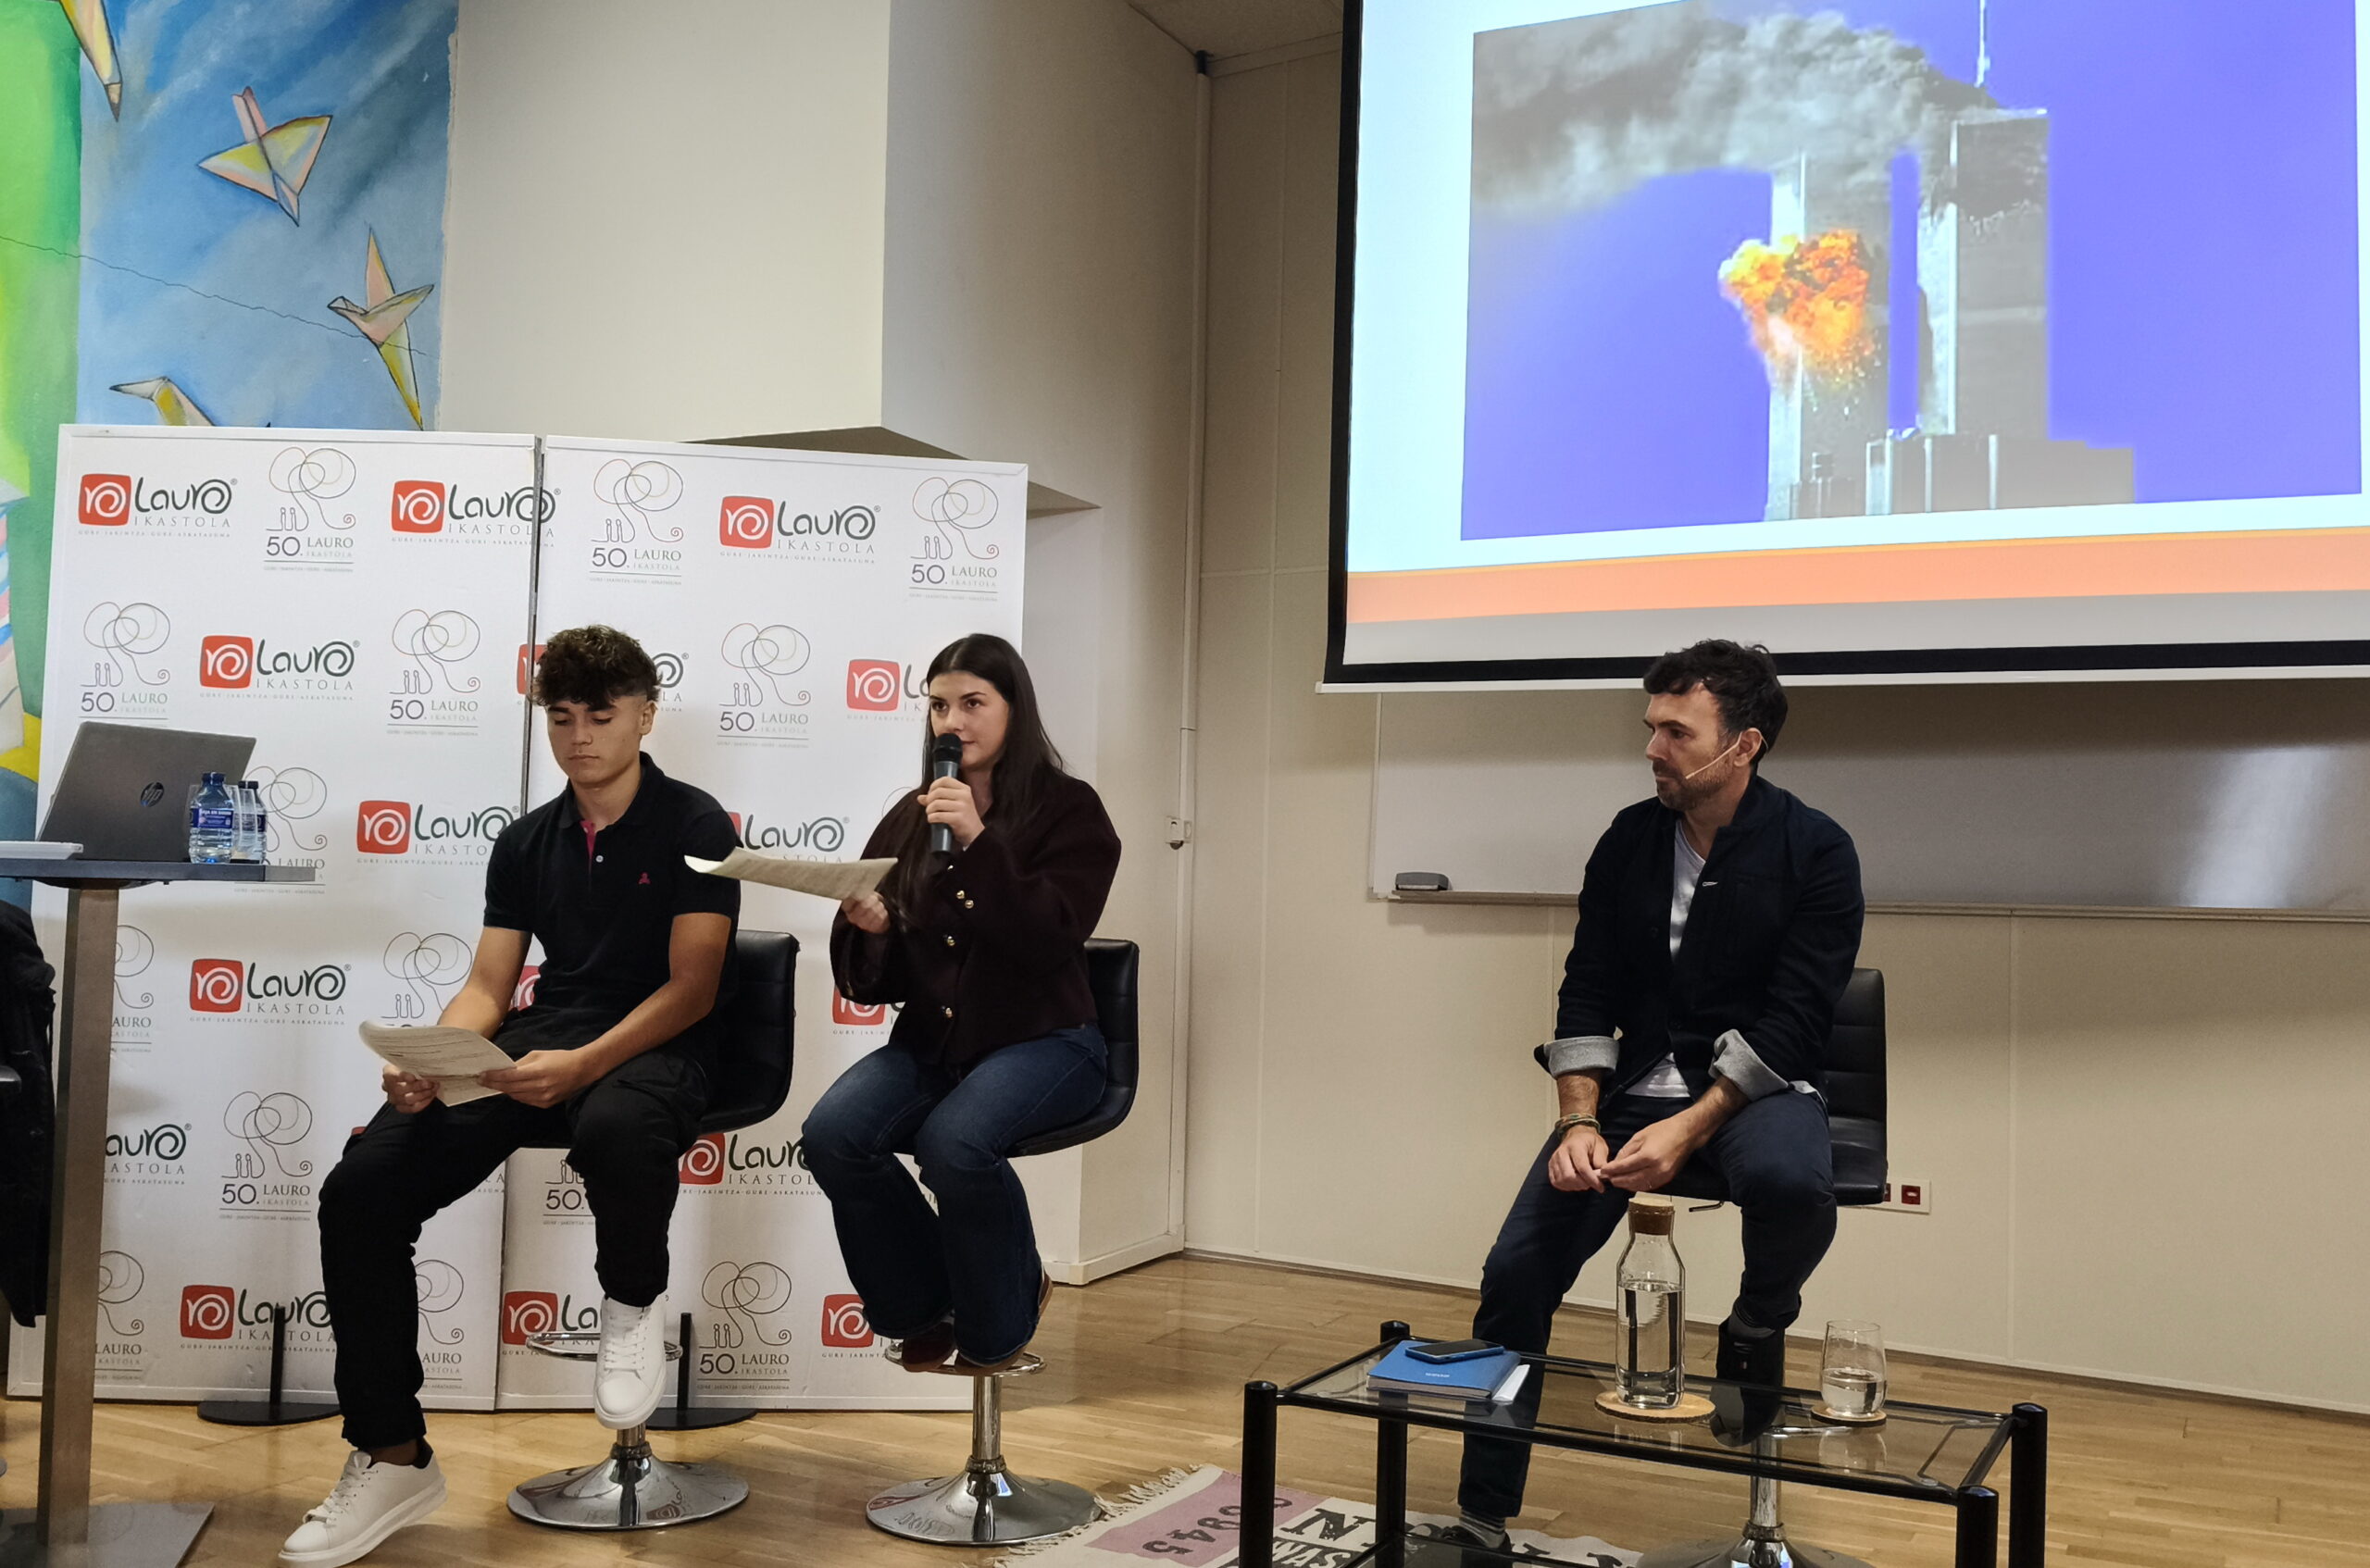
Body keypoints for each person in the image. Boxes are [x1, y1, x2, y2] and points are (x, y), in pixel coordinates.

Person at [282, 626, 740, 1568]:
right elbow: (490, 985)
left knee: (618, 1123)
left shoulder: (696, 823)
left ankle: (630, 1305)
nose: (579, 735)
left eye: (600, 715)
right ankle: (392, 1455)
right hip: (546, 1033)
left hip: (660, 1040)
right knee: (361, 1188)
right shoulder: (526, 838)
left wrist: (584, 1065)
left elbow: (692, 986)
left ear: (645, 717)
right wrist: (436, 1060)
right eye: (561, 717)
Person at [1443, 641, 1865, 1556]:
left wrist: (1691, 1123)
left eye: (1678, 732)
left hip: (1755, 1088)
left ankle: (1756, 1318)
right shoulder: (1629, 839)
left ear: (1743, 745)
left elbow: (1797, 1019)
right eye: (1652, 728)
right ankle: (1480, 1514)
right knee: (1514, 1274)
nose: (1653, 749)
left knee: (1793, 1183)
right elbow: (1585, 989)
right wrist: (1577, 1118)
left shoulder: (1817, 848)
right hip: (1630, 1089)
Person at [802, 632, 1120, 1375]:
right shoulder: (912, 817)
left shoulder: (1071, 810)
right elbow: (875, 985)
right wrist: (874, 929)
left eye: (973, 703)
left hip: (1048, 1041)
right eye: (940, 706)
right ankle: (923, 1307)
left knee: (955, 1144)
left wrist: (979, 842)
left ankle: (1001, 1315)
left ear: (1015, 709)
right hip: (934, 1046)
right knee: (833, 1134)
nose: (953, 722)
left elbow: (1051, 937)